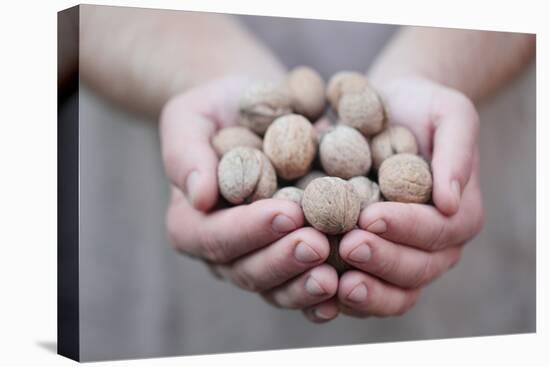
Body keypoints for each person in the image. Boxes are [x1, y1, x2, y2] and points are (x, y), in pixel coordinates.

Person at [67, 5, 535, 359]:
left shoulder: (377, 143)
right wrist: (207, 73)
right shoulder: (268, 146)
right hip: (159, 272)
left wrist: (437, 69)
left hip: (475, 195)